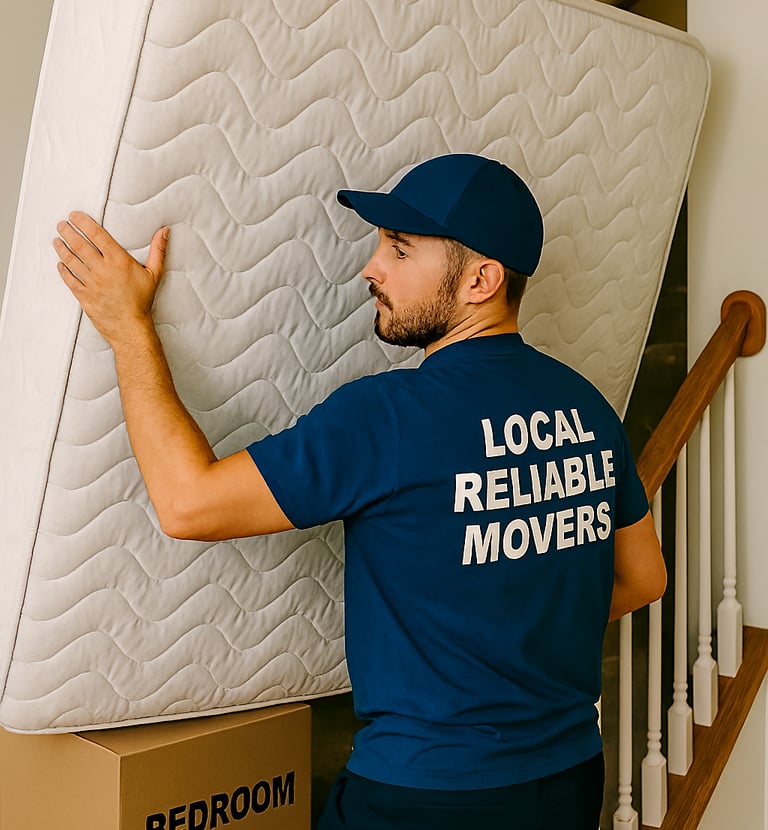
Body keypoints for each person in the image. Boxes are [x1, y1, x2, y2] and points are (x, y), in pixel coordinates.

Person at [53, 153, 666, 830]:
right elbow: (644, 578)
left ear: (482, 280)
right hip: (567, 780)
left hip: (426, 798)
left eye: (400, 250)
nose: (372, 268)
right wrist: (522, 628)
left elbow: (187, 503)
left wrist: (126, 327)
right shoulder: (586, 410)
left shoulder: (389, 416)